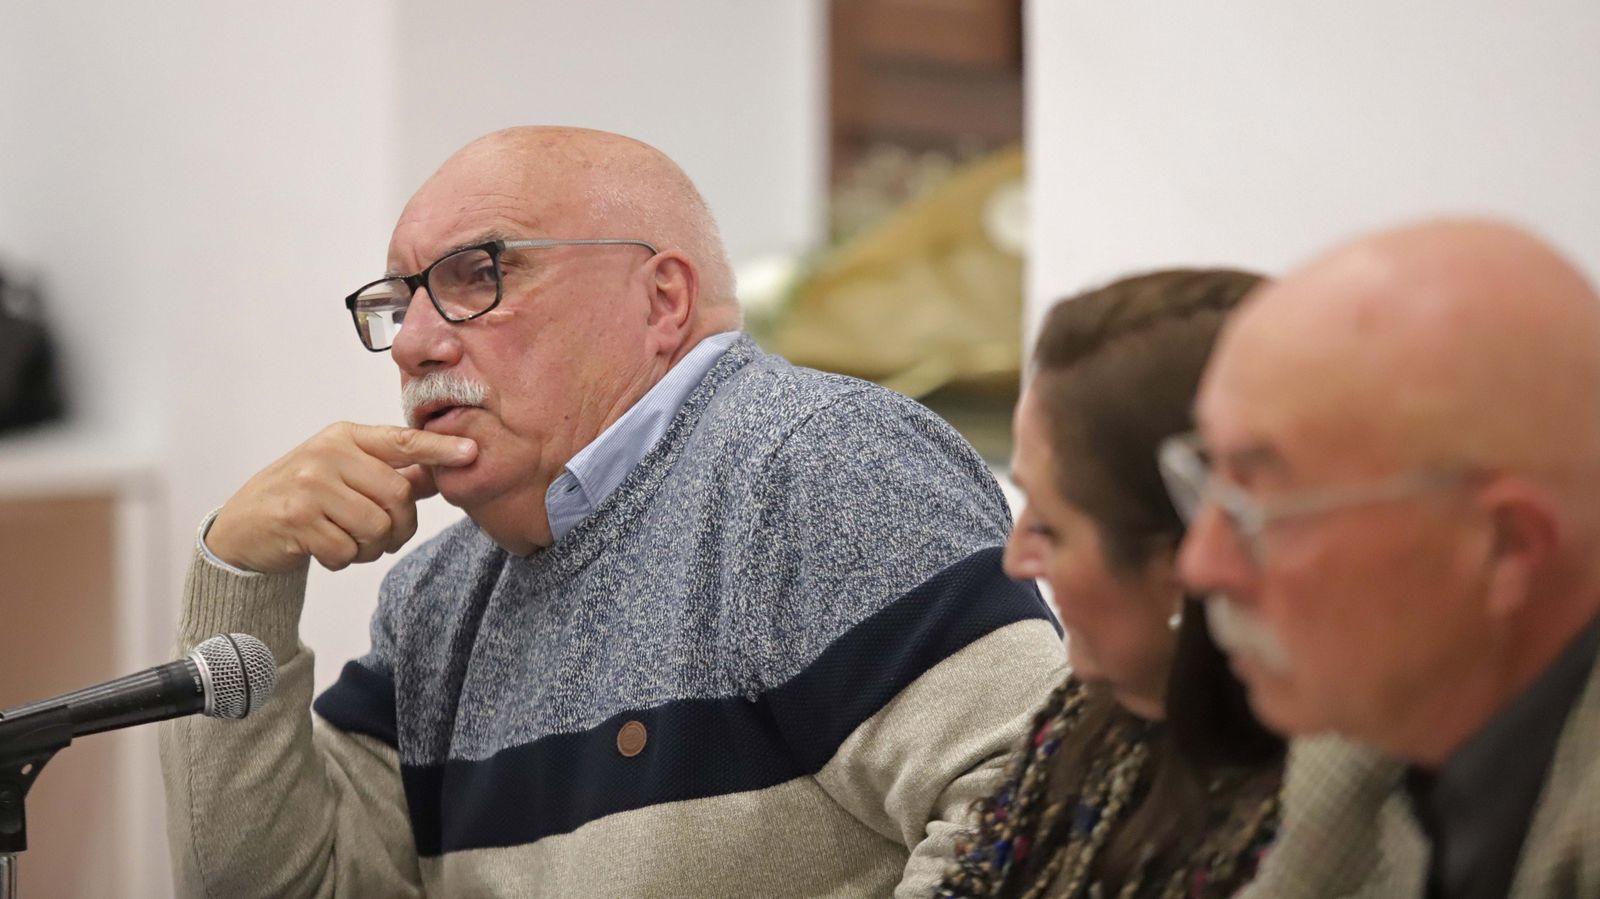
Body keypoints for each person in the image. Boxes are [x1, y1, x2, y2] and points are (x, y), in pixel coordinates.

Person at [158, 126, 1067, 898]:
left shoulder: (815, 462)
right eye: (401, 302)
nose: (417, 344)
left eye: (478, 275)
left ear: (662, 299)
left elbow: (1044, 814)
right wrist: (242, 575)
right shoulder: (436, 596)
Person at [1171, 220, 1600, 899]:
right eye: (1209, 481)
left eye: (1261, 507)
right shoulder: (1364, 742)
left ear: (1506, 546)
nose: (1201, 566)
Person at [937, 269, 1284, 899]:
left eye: (1049, 528)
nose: (1016, 560)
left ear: (1190, 556)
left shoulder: (1338, 824)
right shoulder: (1083, 727)